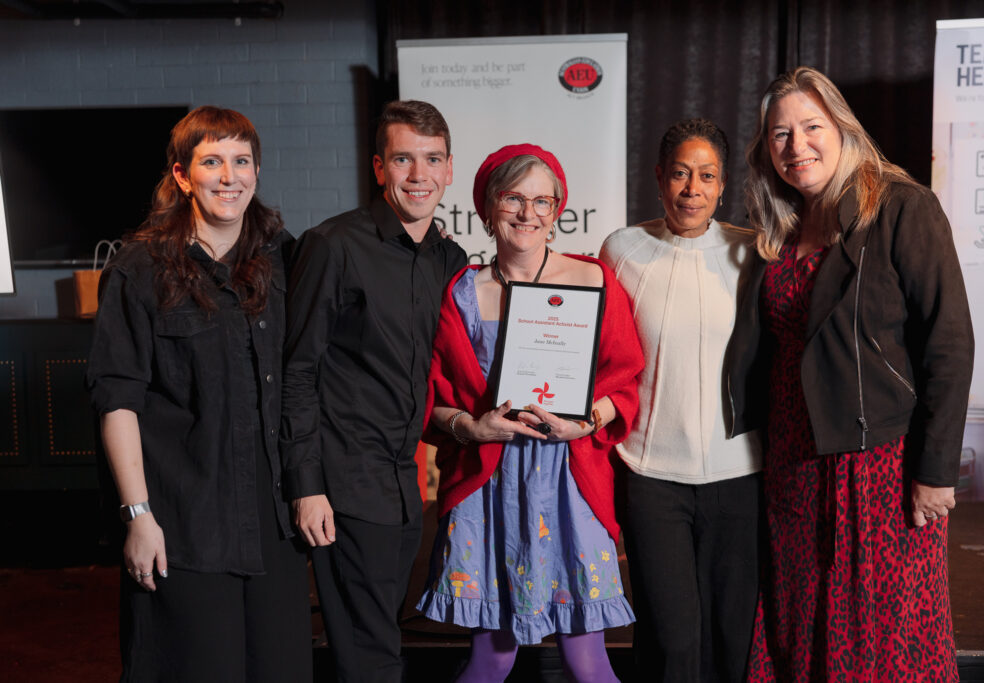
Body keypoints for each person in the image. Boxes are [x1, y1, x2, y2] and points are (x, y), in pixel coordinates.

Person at [727, 66, 973, 681]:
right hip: (792, 464)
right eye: (780, 134)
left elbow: (949, 343)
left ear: (843, 129)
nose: (797, 145)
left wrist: (936, 471)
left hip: (876, 465)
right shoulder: (781, 227)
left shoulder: (901, 207)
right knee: (796, 626)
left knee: (877, 639)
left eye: (812, 127)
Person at [86, 106, 312, 682]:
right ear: (183, 176)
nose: (229, 176)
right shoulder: (139, 269)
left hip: (274, 523)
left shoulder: (284, 259)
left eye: (241, 161)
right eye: (212, 162)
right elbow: (117, 401)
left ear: (257, 171)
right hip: (184, 522)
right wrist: (138, 516)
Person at [416, 144, 645, 682]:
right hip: (489, 485)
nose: (528, 213)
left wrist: (583, 423)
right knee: (491, 658)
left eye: (542, 201)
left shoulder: (593, 280)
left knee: (586, 659)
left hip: (569, 480)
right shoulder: (461, 292)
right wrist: (473, 427)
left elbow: (625, 378)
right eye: (513, 198)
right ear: (488, 206)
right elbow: (432, 396)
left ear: (558, 209)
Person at [280, 100, 467, 682]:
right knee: (370, 656)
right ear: (380, 166)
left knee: (381, 638)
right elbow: (297, 371)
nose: (419, 174)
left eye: (432, 159)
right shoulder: (333, 245)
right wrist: (307, 487)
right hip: (344, 483)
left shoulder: (450, 259)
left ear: (449, 168)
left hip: (405, 485)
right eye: (404, 159)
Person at [600, 118, 762, 683]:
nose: (692, 188)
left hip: (739, 476)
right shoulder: (621, 249)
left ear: (723, 185)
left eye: (707, 176)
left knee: (732, 637)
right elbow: (605, 354)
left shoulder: (752, 252)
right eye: (680, 173)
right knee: (670, 639)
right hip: (651, 478)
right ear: (659, 178)